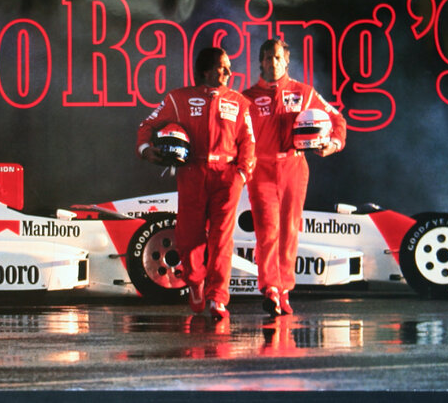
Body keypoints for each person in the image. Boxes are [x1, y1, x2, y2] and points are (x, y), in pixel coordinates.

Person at [136, 47, 256, 320]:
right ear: (205, 70)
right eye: (221, 67)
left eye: (228, 67)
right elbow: (147, 124)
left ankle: (218, 299)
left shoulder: (239, 103)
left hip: (227, 175)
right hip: (192, 172)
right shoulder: (179, 99)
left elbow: (249, 142)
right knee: (189, 235)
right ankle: (196, 281)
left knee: (222, 238)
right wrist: (145, 149)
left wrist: (242, 174)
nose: (227, 72)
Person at [243, 39, 347, 316]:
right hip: (261, 169)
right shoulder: (247, 97)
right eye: (266, 58)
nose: (272, 62)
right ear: (260, 62)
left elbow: (337, 120)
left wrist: (332, 144)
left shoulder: (303, 92)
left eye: (277, 58)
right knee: (267, 231)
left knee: (289, 230)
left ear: (287, 61)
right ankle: (270, 289)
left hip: (294, 167)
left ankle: (285, 289)